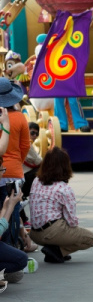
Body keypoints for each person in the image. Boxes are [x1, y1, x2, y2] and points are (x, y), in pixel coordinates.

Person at [29, 147, 93, 263]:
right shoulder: (64, 189)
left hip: (34, 234)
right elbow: (72, 221)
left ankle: (55, 250)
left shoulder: (36, 181)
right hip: (52, 232)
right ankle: (59, 251)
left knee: (62, 226)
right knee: (90, 238)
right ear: (66, 166)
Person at [0, 79, 30, 250]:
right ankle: (12, 248)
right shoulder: (19, 117)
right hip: (14, 172)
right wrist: (18, 161)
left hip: (1, 171)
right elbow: (25, 146)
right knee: (13, 213)